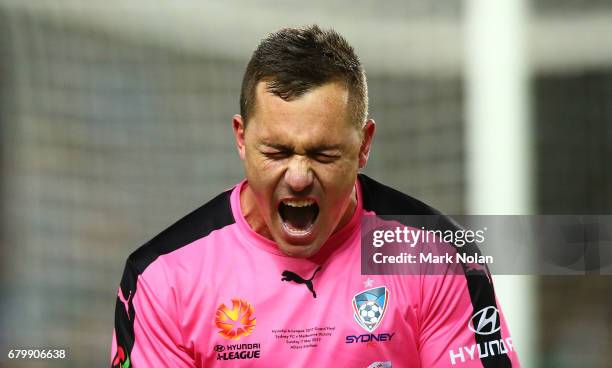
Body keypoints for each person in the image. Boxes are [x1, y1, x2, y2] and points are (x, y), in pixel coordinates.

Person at [111, 25, 520, 367]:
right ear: (241, 138)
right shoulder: (162, 279)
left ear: (364, 144)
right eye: (277, 152)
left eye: (324, 154)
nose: (300, 177)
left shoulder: (437, 257)